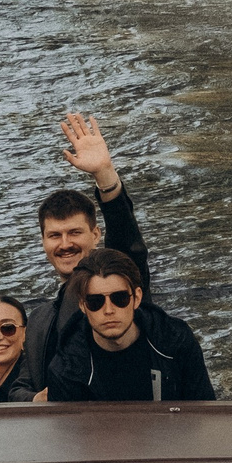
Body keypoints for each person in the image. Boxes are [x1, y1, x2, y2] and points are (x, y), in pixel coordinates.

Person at [23, 112, 151, 382]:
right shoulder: (38, 319)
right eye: (55, 235)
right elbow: (22, 386)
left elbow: (129, 247)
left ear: (96, 235)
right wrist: (37, 399)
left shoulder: (118, 292)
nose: (65, 244)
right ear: (43, 241)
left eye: (75, 233)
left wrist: (105, 176)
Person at [45, 249, 214, 403]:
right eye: (95, 302)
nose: (109, 310)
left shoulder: (174, 341)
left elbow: (205, 414)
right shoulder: (66, 368)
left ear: (137, 298)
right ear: (82, 305)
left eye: (120, 299)